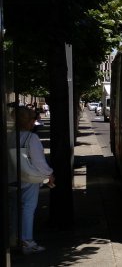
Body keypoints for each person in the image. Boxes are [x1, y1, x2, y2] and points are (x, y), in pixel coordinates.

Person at [8, 106, 55, 254]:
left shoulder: (9, 136)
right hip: (27, 179)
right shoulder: (31, 137)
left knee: (14, 209)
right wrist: (49, 174)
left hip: (11, 178)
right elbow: (39, 161)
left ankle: (14, 238)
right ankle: (27, 241)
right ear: (29, 122)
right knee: (28, 208)